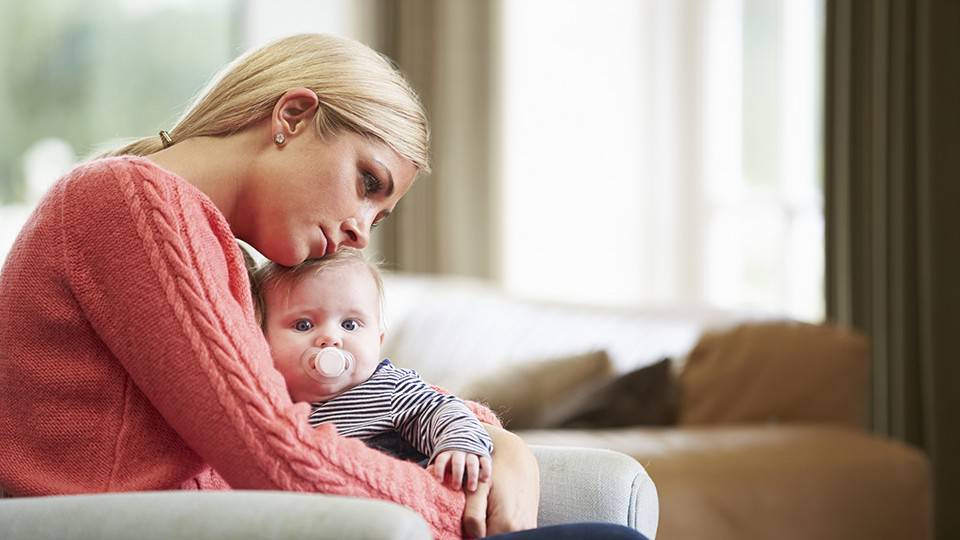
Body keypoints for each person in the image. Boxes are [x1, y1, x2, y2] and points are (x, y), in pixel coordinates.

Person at [0, 33, 647, 539]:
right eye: (368, 182)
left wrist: (491, 440)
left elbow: (333, 393)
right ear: (293, 115)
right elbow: (274, 450)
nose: (362, 233)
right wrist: (457, 506)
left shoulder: (201, 241)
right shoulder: (128, 201)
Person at [252, 248, 491, 492]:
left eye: (349, 324)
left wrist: (458, 445)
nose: (331, 338)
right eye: (303, 325)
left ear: (378, 341)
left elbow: (442, 409)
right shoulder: (269, 403)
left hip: (404, 508)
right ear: (262, 338)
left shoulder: (390, 388)